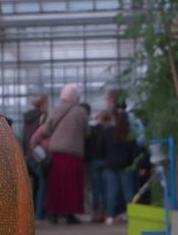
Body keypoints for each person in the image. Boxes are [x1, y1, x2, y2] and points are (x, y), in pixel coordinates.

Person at [43, 84, 89, 224]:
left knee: (57, 185)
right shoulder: (81, 112)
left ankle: (55, 214)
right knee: (72, 186)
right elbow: (87, 132)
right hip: (74, 154)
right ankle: (70, 214)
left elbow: (46, 129)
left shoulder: (56, 110)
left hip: (57, 153)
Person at [103, 108, 138, 225]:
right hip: (126, 165)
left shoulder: (108, 132)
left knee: (111, 191)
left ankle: (111, 216)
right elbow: (134, 151)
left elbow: (103, 148)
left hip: (110, 164)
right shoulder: (129, 133)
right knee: (128, 191)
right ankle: (131, 215)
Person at [22, 95, 49, 217]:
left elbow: (24, 137)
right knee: (43, 182)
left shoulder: (27, 118)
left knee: (35, 185)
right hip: (38, 153)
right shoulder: (43, 117)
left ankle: (33, 212)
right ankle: (40, 213)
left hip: (28, 154)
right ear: (43, 104)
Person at [85, 110, 111, 223]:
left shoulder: (91, 130)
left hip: (93, 161)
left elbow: (87, 145)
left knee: (95, 188)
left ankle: (96, 213)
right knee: (105, 188)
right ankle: (106, 212)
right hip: (105, 161)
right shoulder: (109, 131)